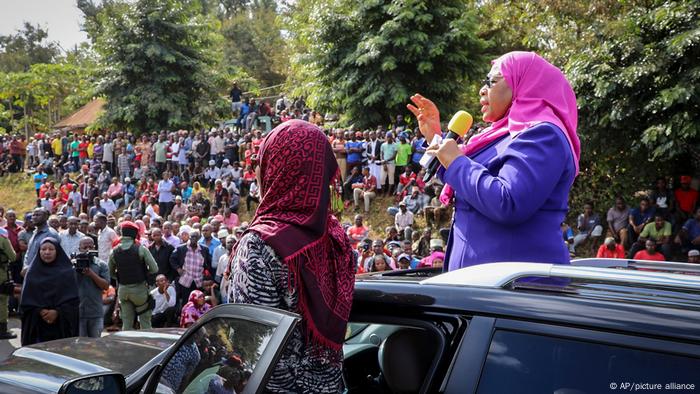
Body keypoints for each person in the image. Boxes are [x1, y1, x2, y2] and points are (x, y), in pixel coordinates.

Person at [408, 51, 580, 271]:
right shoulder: (502, 134)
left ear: (523, 83)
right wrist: (436, 139)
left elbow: (509, 202)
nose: (482, 90)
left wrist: (457, 162)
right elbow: (471, 183)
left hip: (516, 288)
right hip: (481, 285)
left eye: (492, 81)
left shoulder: (543, 135)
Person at [227, 120, 355, 393]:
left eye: (259, 163)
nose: (256, 172)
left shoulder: (260, 245)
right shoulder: (336, 237)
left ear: (280, 168)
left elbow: (249, 346)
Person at [20, 238, 79, 346]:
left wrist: (57, 312)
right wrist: (40, 311)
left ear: (57, 251)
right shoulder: (32, 273)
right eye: (43, 249)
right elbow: (26, 303)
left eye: (51, 249)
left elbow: (73, 301)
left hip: (61, 329)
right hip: (37, 327)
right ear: (39, 251)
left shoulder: (67, 272)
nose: (47, 252)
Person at [108, 221, 159, 330]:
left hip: (123, 291)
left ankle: (127, 346)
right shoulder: (141, 249)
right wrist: (144, 274)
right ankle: (147, 346)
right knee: (145, 323)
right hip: (140, 290)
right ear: (134, 234)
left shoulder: (114, 251)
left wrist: (120, 277)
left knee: (126, 324)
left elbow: (110, 273)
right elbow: (155, 269)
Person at [75, 237, 110, 337]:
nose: (87, 250)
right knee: (79, 344)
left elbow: (106, 286)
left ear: (94, 248)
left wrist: (91, 274)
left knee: (95, 344)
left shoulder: (101, 265)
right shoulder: (72, 264)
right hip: (78, 313)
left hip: (95, 312)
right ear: (79, 248)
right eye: (84, 247)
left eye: (90, 247)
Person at [0, 229, 17, 339]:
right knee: (2, 302)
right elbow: (13, 257)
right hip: (1, 275)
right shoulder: (3, 239)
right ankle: (2, 330)